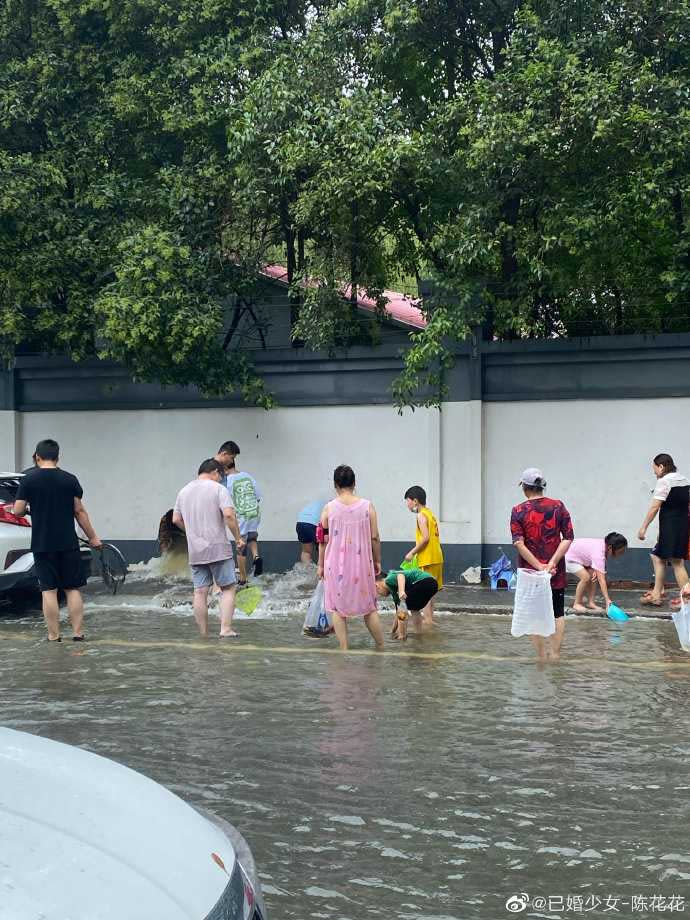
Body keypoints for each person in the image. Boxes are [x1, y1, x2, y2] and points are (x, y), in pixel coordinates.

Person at [13, 438, 102, 642]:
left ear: (37, 456)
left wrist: (24, 509)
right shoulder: (69, 479)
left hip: (43, 544)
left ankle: (54, 636)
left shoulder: (28, 479)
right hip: (68, 543)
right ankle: (78, 634)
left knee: (49, 591)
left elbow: (18, 510)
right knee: (72, 589)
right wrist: (93, 537)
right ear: (58, 457)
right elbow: (79, 511)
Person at [172, 459, 244, 638]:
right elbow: (228, 514)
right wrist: (238, 538)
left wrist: (192, 532)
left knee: (200, 591)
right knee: (228, 588)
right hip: (217, 547)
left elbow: (176, 519)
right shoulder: (219, 489)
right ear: (215, 472)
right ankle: (225, 629)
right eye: (221, 477)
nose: (221, 480)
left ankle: (203, 633)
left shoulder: (183, 491)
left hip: (196, 550)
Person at [317, 465, 384, 651]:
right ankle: (381, 646)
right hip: (362, 564)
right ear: (354, 483)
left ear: (335, 484)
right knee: (369, 608)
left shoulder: (328, 508)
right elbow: (375, 537)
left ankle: (344, 648)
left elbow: (322, 541)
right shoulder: (367, 506)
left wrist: (320, 565)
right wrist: (377, 560)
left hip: (334, 565)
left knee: (338, 609)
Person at [510, 468, 574, 660]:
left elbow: (518, 543)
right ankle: (555, 655)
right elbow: (568, 537)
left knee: (534, 615)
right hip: (555, 571)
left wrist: (538, 566)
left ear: (524, 487)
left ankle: (541, 657)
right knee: (557, 612)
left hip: (531, 574)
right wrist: (551, 563)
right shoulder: (558, 506)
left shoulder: (518, 511)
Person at [638, 453, 690, 607]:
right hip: (681, 525)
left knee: (677, 562)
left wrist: (643, 527)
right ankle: (656, 594)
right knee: (657, 556)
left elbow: (655, 507)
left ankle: (686, 600)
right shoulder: (684, 480)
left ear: (661, 466)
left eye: (655, 470)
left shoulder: (664, 482)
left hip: (671, 526)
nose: (655, 473)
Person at [403, 486, 443, 627]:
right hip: (437, 557)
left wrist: (412, 552)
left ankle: (428, 624)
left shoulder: (420, 515)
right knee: (431, 592)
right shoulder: (430, 513)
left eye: (407, 501)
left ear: (415, 501)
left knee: (425, 592)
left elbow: (425, 538)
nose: (407, 504)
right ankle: (430, 620)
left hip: (427, 559)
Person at [565, 533, 628, 612]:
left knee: (594, 576)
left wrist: (595, 570)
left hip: (581, 558)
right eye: (620, 552)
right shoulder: (599, 553)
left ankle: (590, 602)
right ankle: (577, 603)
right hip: (570, 558)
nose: (621, 554)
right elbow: (602, 580)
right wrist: (607, 600)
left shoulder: (604, 546)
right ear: (610, 547)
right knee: (586, 577)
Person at [376, 568, 439, 641]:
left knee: (402, 608)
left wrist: (402, 591)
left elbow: (400, 575)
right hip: (433, 585)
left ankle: (402, 635)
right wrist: (392, 631)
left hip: (424, 581)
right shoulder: (393, 590)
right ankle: (418, 634)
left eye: (378, 592)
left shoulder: (388, 579)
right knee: (415, 609)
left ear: (377, 586)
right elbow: (398, 614)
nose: (380, 595)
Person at [226, 463, 262, 582]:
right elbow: (258, 496)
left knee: (240, 545)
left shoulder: (227, 481)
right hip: (254, 512)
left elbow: (226, 503)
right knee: (252, 535)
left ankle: (243, 578)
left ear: (225, 468)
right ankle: (256, 557)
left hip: (242, 515)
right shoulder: (247, 475)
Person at [296, 498, 330, 564]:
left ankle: (306, 571)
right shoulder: (334, 505)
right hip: (313, 525)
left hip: (300, 523)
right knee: (324, 553)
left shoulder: (322, 502)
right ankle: (321, 572)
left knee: (306, 552)